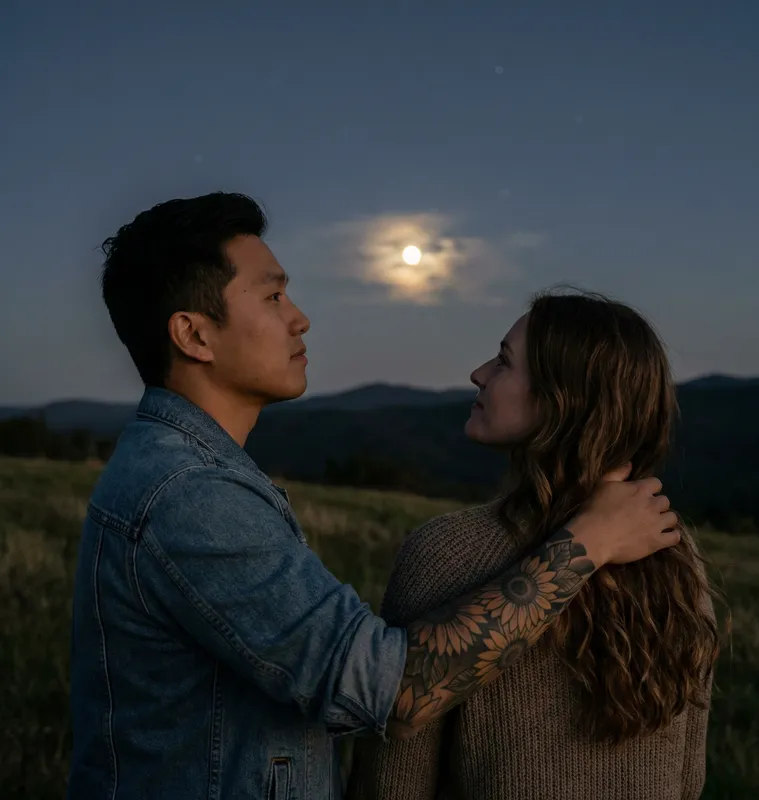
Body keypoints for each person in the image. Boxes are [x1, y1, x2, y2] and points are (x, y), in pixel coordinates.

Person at [66, 193, 680, 800]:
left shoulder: (196, 475)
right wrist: (589, 542)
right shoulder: (191, 495)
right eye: (274, 296)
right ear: (194, 335)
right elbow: (395, 691)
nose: (299, 317)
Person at [346, 290, 720, 800]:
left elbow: (391, 785)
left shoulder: (448, 554)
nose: (478, 373)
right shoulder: (676, 553)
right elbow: (689, 779)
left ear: (561, 399)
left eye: (503, 362)